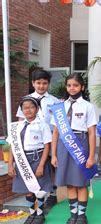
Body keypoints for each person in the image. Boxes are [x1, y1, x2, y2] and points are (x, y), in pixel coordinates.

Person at [51, 73, 97, 224]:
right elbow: (56, 132)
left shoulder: (88, 106)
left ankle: (82, 216)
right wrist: (54, 154)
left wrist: (91, 156)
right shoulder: (59, 107)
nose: (72, 88)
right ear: (66, 86)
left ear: (82, 87)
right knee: (70, 182)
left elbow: (92, 132)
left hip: (81, 143)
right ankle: (73, 215)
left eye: (75, 85)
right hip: (64, 146)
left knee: (81, 182)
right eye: (69, 85)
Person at [16, 69, 60, 213]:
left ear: (48, 84)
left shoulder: (54, 101)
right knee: (35, 169)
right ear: (33, 83)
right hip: (32, 142)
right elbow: (20, 122)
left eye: (44, 83)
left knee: (51, 167)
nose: (41, 86)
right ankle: (36, 198)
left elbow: (58, 123)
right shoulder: (26, 100)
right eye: (38, 83)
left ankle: (52, 194)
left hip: (50, 140)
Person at [8, 97, 52, 224]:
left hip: (37, 158)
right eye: (25, 108)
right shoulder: (16, 126)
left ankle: (40, 213)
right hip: (22, 160)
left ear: (37, 109)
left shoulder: (42, 124)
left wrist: (41, 165)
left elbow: (47, 146)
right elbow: (12, 147)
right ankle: (32, 213)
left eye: (31, 107)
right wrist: (10, 164)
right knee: (27, 189)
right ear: (21, 110)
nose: (28, 110)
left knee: (39, 189)